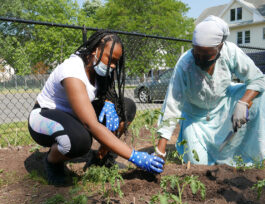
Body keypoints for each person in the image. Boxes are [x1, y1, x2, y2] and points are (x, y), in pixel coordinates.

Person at [28, 31, 164, 185]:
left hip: (73, 117)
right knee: (79, 141)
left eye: (116, 62)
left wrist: (109, 102)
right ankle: (52, 161)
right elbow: (90, 124)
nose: (113, 65)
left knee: (127, 107)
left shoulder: (100, 69)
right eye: (110, 59)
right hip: (44, 116)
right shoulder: (72, 70)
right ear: (95, 51)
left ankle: (101, 157)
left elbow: (107, 93)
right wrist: (134, 156)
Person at [155, 15, 265, 166]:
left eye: (206, 56)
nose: (200, 60)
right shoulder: (185, 64)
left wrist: (243, 102)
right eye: (196, 54)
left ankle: (250, 155)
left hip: (224, 106)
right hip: (196, 119)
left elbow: (257, 79)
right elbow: (172, 106)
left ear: (220, 47)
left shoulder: (230, 52)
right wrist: (160, 151)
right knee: (198, 164)